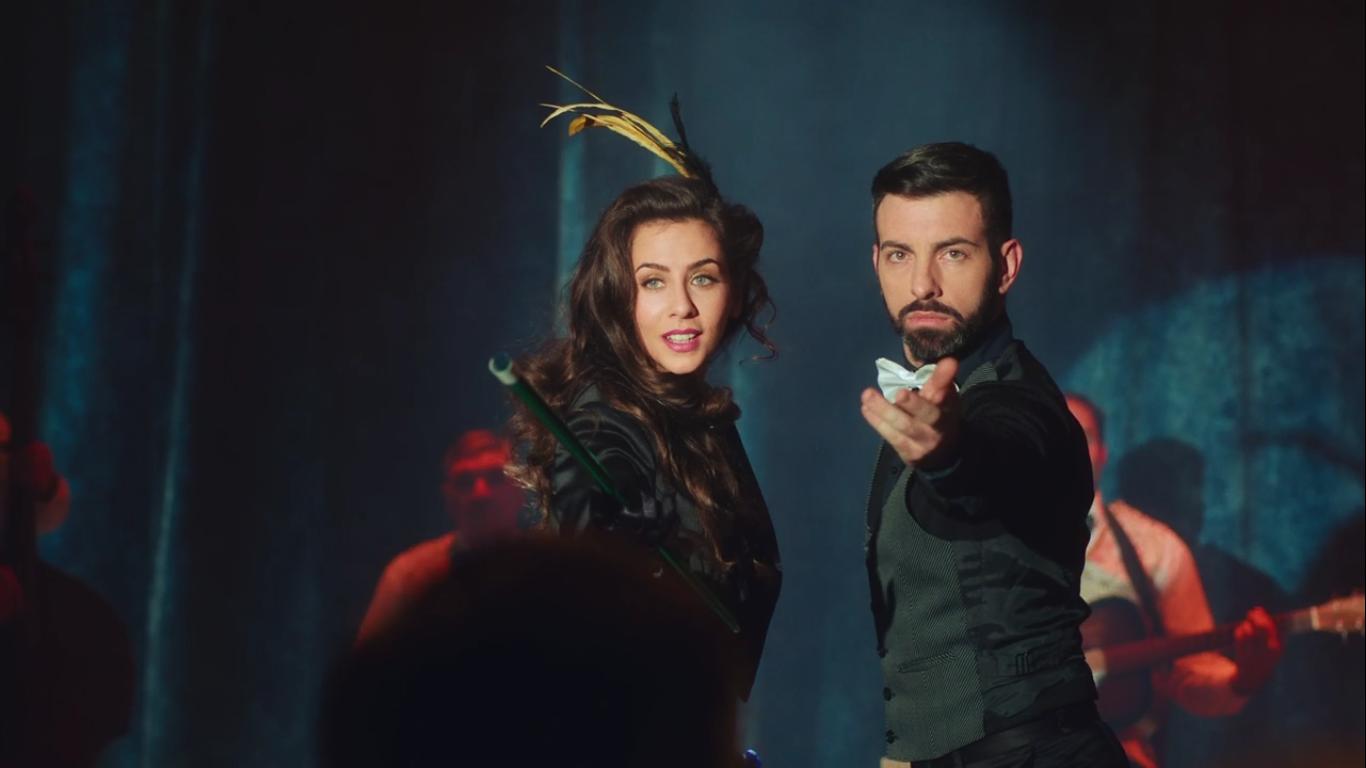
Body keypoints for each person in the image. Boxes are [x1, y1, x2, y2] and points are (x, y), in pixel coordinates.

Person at [859, 142, 1125, 767]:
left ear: (1005, 266)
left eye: (952, 253)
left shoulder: (1023, 404)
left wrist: (950, 454)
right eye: (900, 254)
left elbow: (1002, 456)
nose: (922, 284)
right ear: (877, 262)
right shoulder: (923, 390)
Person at [507, 173, 781, 702]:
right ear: (617, 296)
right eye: (653, 282)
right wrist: (606, 537)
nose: (683, 306)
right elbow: (584, 505)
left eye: (703, 278)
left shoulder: (692, 415)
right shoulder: (604, 419)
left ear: (734, 291)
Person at [1064, 394, 1283, 768]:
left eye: (1080, 436)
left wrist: (1244, 677)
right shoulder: (982, 541)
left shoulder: (1156, 550)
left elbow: (1194, 673)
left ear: (1102, 453)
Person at [356, 429, 524, 642]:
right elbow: (369, 659)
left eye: (495, 477)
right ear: (448, 497)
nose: (480, 493)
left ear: (521, 488)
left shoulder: (547, 565)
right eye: (465, 481)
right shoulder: (408, 577)